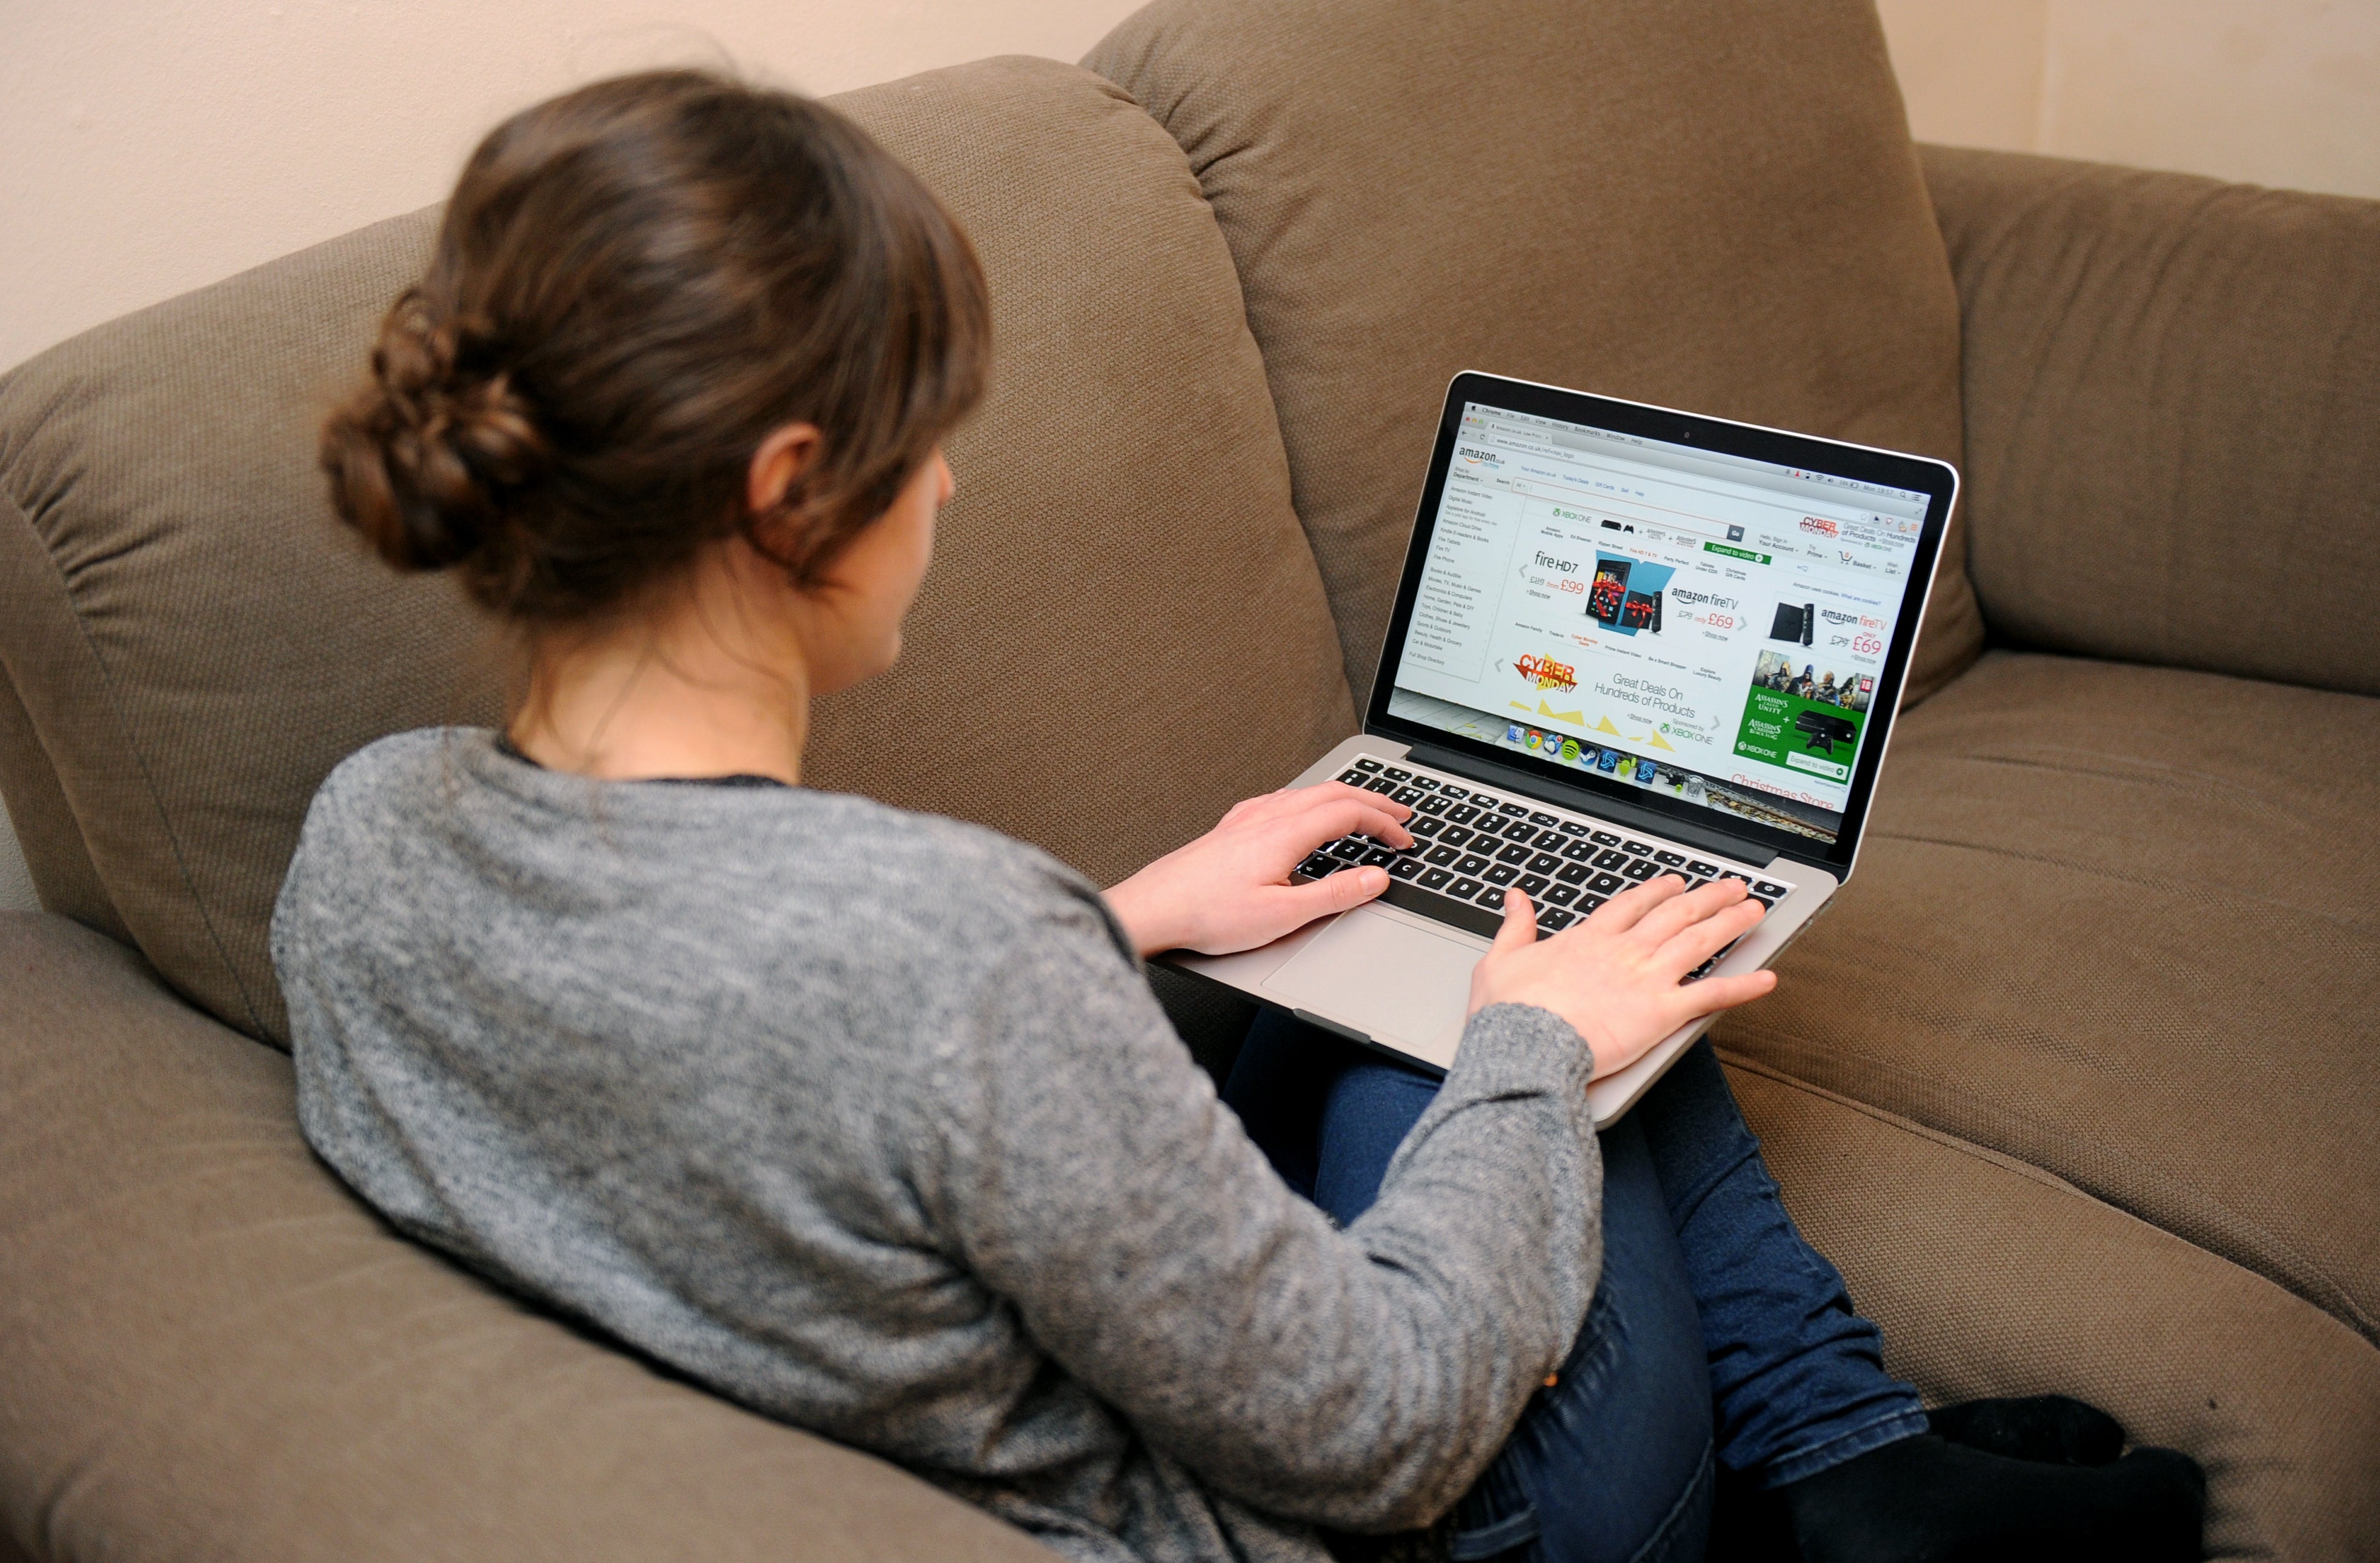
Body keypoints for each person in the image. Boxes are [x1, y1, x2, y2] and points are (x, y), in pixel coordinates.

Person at [273, 71, 2206, 1563]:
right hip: (1421, 1511)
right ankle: (1833, 1464)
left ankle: (1846, 1457)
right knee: (1556, 978)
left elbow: (734, 1040)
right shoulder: (954, 961)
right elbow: (1394, 1421)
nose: (946, 484)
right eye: (926, 428)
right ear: (792, 491)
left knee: (1434, 906)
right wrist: (1529, 1056)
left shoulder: (365, 847)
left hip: (1057, 1326)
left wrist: (1140, 914)